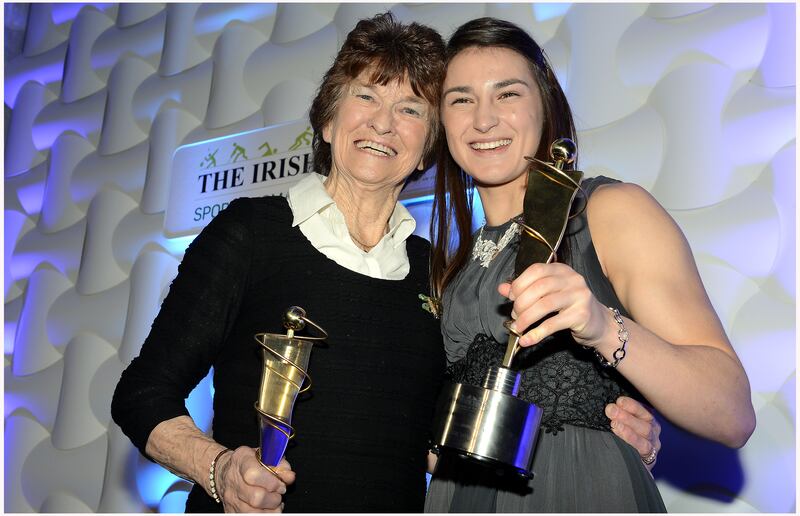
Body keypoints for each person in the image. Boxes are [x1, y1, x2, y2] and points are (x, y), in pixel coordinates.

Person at [112, 13, 664, 513]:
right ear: (327, 121)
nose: (383, 124)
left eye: (410, 110)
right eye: (366, 97)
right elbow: (142, 394)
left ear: (428, 148)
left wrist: (602, 423)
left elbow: (437, 440)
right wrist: (218, 470)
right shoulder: (251, 232)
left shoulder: (439, 273)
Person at [424, 17, 755, 512]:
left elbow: (731, 413)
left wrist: (602, 326)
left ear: (546, 107)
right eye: (461, 99)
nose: (484, 120)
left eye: (507, 94)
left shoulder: (610, 210)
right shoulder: (453, 265)